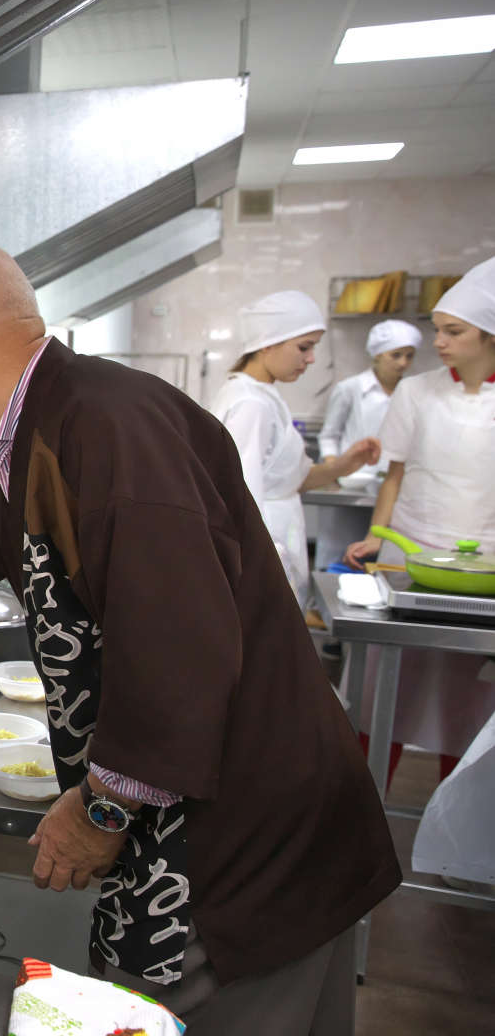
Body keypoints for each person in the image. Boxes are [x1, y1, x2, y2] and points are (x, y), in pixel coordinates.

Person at [0, 239, 399, 1033]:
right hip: (179, 824)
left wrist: (101, 811)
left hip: (246, 839)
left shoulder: (111, 425)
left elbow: (183, 652)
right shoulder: (0, 451)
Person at [343, 256, 495, 788]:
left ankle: (458, 836)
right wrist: (374, 539)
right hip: (410, 556)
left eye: (454, 332)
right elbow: (395, 476)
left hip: (484, 571)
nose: (440, 343)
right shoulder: (417, 391)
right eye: (439, 331)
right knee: (386, 692)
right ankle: (363, 811)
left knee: (472, 703)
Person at [209, 291, 380, 606]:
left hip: (276, 536)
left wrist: (346, 463)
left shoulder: (263, 395)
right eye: (304, 347)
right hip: (267, 546)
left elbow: (292, 479)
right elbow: (242, 492)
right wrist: (260, 564)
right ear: (267, 343)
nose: (311, 358)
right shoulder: (251, 404)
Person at [312, 318, 423, 571]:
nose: (403, 363)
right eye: (396, 355)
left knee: (379, 558)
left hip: (393, 487)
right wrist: (335, 468)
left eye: (409, 356)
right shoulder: (350, 388)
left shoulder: (413, 391)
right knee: (339, 551)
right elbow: (329, 435)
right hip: (351, 484)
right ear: (377, 354)